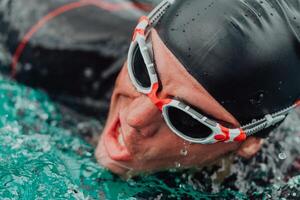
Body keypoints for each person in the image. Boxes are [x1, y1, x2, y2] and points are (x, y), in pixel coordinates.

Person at [1, 0, 299, 177]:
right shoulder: (40, 36)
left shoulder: (280, 177)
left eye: (187, 120)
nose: (135, 118)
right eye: (142, 68)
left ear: (247, 142)